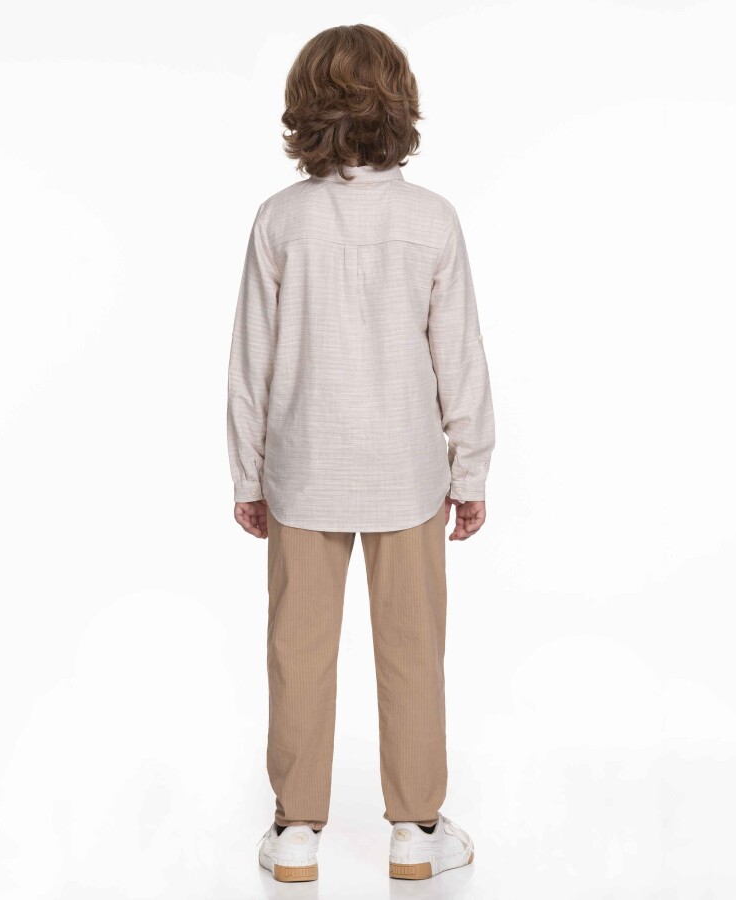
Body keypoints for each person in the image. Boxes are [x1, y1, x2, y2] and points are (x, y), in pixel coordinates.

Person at [226, 23, 495, 883]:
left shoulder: (281, 220)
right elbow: (459, 357)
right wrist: (470, 470)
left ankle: (295, 832)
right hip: (406, 474)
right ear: (399, 104)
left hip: (303, 472)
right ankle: (416, 830)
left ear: (305, 106)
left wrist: (248, 474)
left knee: (297, 652)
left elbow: (252, 361)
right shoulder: (430, 220)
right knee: (413, 650)